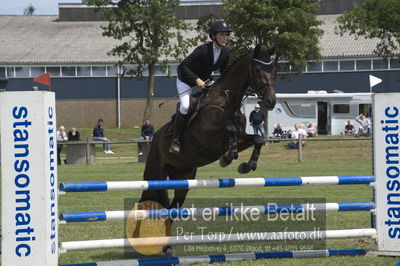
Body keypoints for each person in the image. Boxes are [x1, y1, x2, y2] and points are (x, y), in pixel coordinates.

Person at [169, 20, 231, 155]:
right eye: (221, 34)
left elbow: (224, 73)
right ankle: (176, 140)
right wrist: (197, 81)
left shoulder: (225, 53)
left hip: (205, 80)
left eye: (226, 35)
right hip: (185, 80)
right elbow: (183, 67)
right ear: (213, 36)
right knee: (185, 106)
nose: (225, 38)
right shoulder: (203, 50)